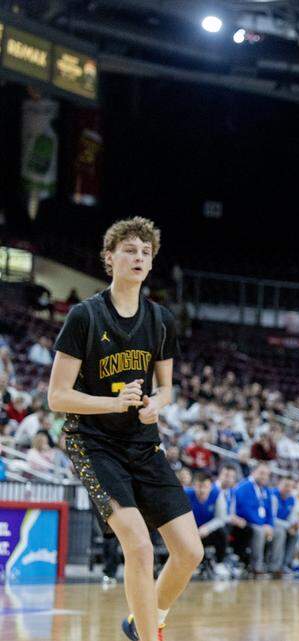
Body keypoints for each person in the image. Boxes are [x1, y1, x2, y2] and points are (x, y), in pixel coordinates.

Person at [48, 217, 201, 641]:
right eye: (129, 250)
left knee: (190, 551)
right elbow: (57, 397)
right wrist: (113, 403)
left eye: (145, 252)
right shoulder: (85, 316)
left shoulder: (161, 320)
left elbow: (168, 388)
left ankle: (142, 621)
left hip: (142, 443)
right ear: (109, 257)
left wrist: (156, 404)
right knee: (138, 544)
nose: (138, 257)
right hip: (92, 443)